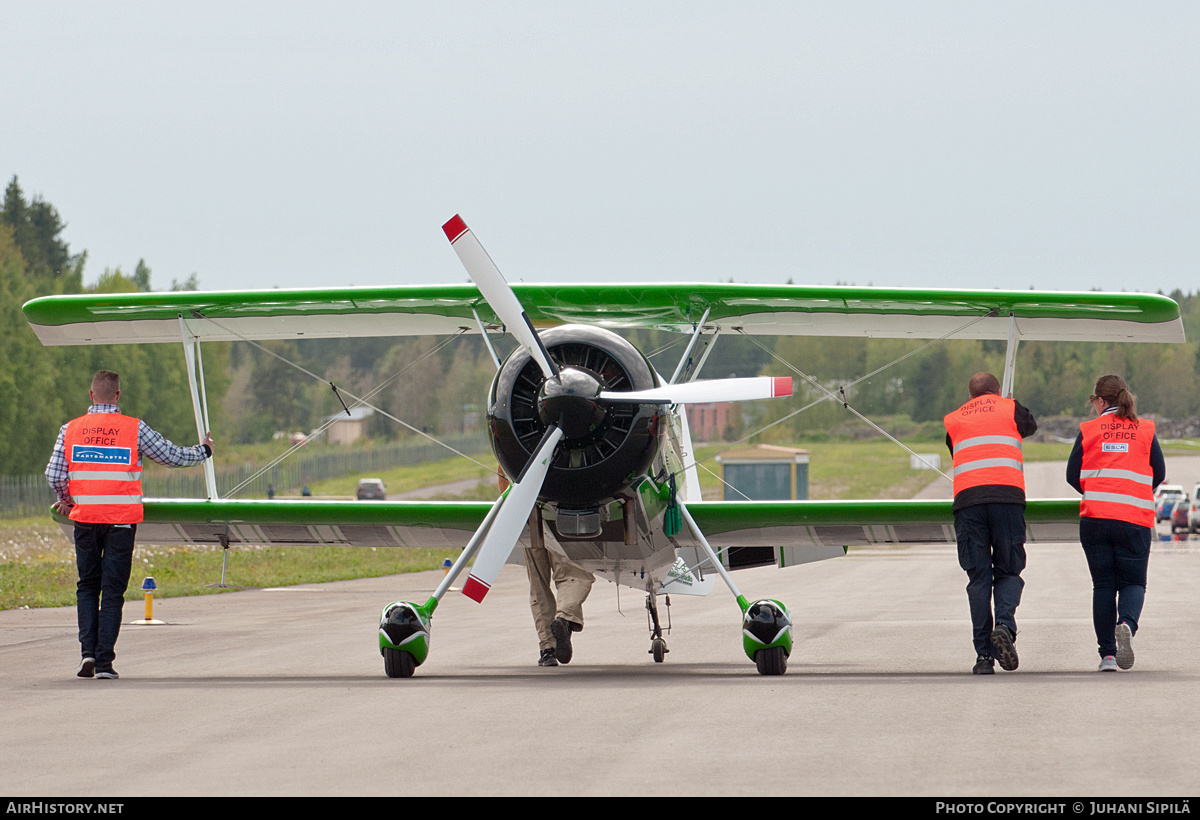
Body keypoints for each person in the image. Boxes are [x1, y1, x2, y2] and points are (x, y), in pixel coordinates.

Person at [46, 370, 213, 680]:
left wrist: (67, 498)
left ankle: (86, 654)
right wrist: (203, 450)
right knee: (112, 591)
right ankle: (105, 663)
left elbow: (54, 473)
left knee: (87, 586)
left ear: (91, 395)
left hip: (84, 520)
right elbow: (171, 456)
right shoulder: (134, 428)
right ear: (118, 397)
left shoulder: (70, 429)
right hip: (121, 521)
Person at [1066, 375, 1164, 672]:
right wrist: (1133, 492)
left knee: (1103, 586)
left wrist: (1098, 491)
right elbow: (1158, 472)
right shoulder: (1144, 429)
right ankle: (1127, 625)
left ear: (1099, 401)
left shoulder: (1089, 429)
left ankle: (1107, 655)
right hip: (1133, 518)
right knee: (1133, 582)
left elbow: (1072, 474)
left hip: (1095, 519)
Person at [944, 372, 1038, 675]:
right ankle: (1005, 627)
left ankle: (984, 656)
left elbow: (954, 448)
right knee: (1009, 569)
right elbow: (1031, 426)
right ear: (998, 391)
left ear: (970, 394)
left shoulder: (954, 419)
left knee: (978, 578)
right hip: (1007, 498)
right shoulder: (1011, 407)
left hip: (969, 502)